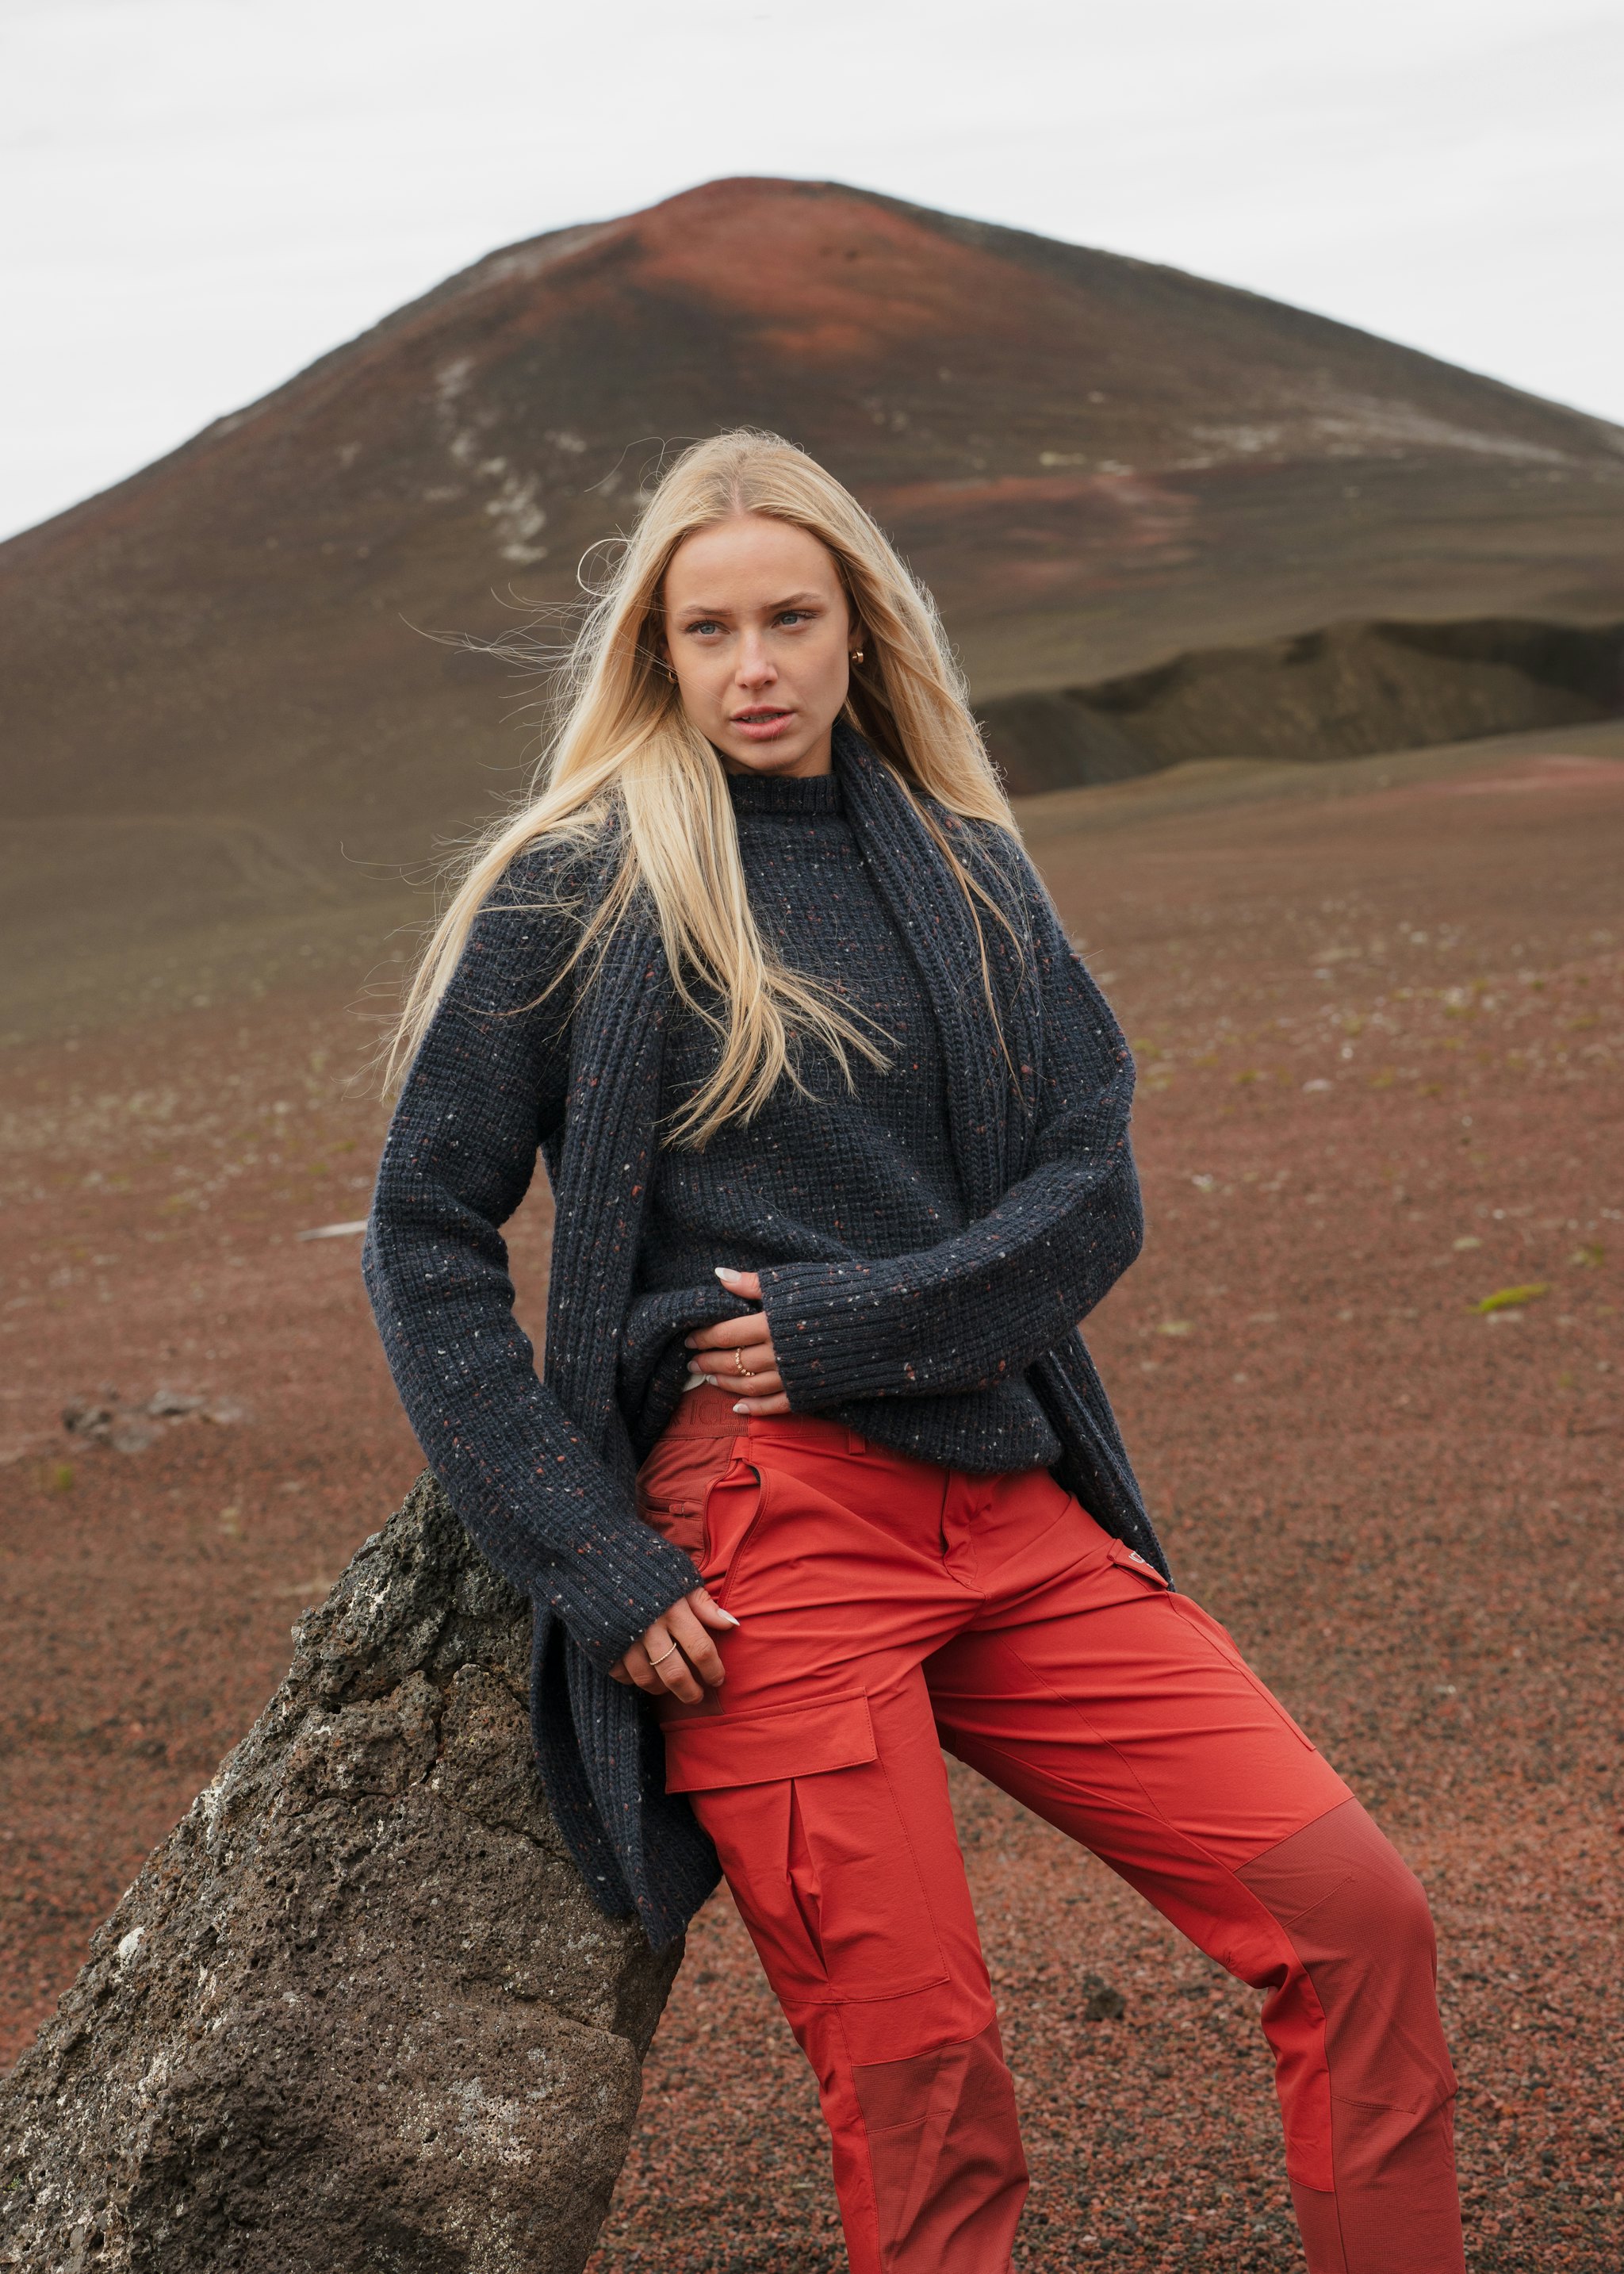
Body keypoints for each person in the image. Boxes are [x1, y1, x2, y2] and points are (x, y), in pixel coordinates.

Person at [363, 429, 1464, 2273]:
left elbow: (1090, 1181)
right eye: (706, 631)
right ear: (656, 650)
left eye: (790, 618)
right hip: (763, 1543)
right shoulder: (579, 887)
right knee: (927, 2091)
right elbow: (425, 1232)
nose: (755, 667)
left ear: (861, 628)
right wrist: (590, 1556)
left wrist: (855, 1323)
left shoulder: (963, 869)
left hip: (1000, 1497)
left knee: (1357, 1921)